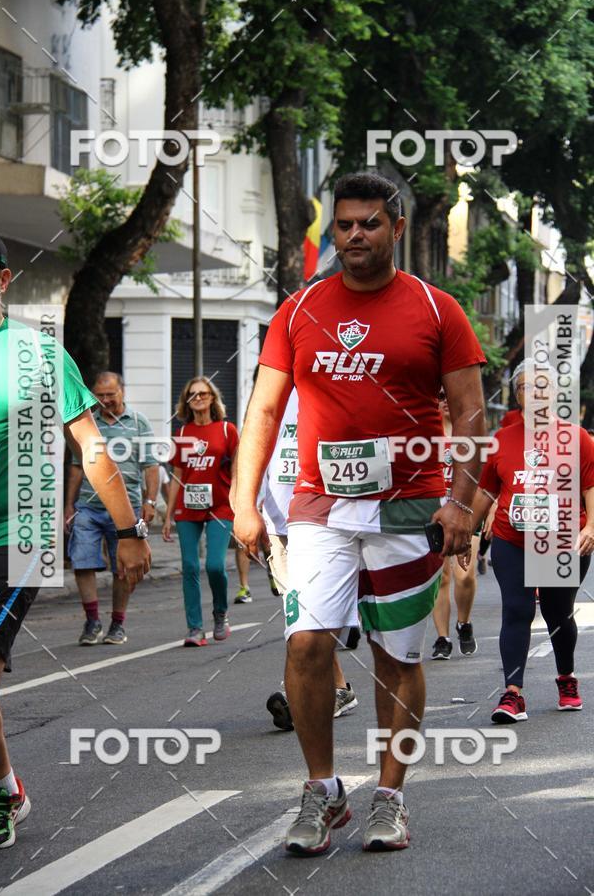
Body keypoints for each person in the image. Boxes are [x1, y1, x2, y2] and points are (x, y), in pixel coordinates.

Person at [234, 172, 486, 855]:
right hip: (319, 507)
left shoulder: (437, 310)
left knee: (396, 656)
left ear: (396, 228)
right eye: (344, 224)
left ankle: (390, 797)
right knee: (306, 643)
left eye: (369, 224)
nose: (354, 235)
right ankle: (322, 789)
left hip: (409, 510)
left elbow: (470, 413)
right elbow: (263, 410)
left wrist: (460, 502)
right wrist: (243, 501)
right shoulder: (299, 311)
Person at [0, 235, 150, 848]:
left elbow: (90, 446)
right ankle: (6, 786)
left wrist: (129, 530)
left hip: (18, 533)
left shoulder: (37, 355)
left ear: (2, 279)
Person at [471, 359, 594, 722]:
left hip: (564, 541)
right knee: (517, 609)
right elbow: (486, 491)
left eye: (543, 386)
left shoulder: (577, 438)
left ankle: (566, 678)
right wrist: (468, 534)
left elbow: (590, 486)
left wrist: (591, 527)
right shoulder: (501, 440)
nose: (536, 393)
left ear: (554, 393)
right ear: (518, 395)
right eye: (527, 387)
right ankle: (512, 694)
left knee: (558, 613)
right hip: (513, 539)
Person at [259, 389, 358, 731]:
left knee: (306, 614)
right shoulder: (271, 395)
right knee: (300, 613)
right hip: (278, 525)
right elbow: (256, 452)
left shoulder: (329, 386)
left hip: (319, 522)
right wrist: (249, 508)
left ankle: (301, 694)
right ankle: (338, 688)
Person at [65, 372, 159, 645]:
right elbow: (76, 467)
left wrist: (150, 502)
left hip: (127, 509)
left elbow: (151, 466)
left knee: (124, 567)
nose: (105, 400)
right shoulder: (88, 422)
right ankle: (92, 621)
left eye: (110, 394)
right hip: (88, 506)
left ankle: (117, 623)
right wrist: (68, 505)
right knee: (82, 562)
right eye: (100, 395)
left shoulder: (138, 422)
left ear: (122, 392)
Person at [163, 377, 238, 646]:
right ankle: (195, 628)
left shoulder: (227, 430)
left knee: (215, 565)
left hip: (220, 506)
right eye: (192, 394)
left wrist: (241, 504)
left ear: (212, 398)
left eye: (203, 394)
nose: (198, 398)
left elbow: (238, 470)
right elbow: (177, 475)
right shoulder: (182, 433)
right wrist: (168, 515)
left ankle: (220, 612)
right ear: (187, 400)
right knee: (190, 566)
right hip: (188, 507)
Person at [432, 389, 478, 659]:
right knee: (442, 578)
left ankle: (464, 622)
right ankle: (442, 638)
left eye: (450, 394)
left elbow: (484, 478)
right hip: (436, 513)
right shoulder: (427, 436)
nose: (446, 400)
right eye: (440, 395)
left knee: (465, 575)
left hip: (466, 511)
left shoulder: (470, 433)